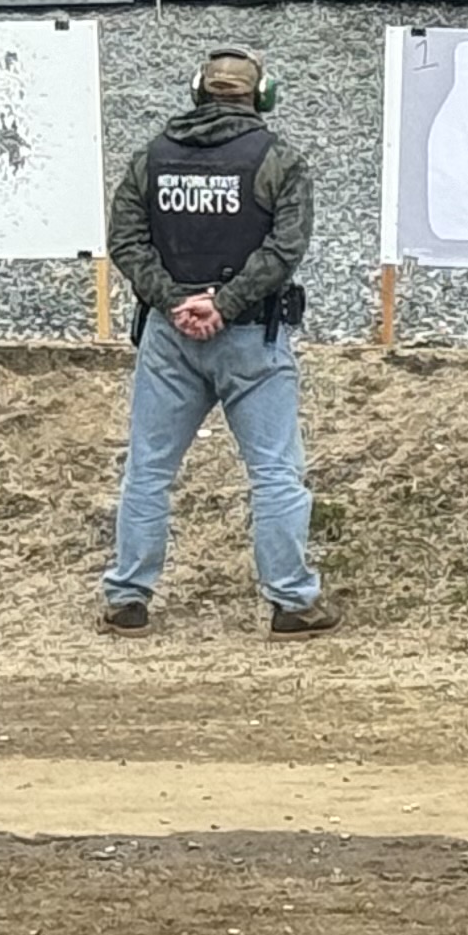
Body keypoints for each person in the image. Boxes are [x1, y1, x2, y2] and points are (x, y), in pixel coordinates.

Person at [99, 44, 333, 636]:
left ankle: (127, 598)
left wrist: (174, 300)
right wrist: (223, 304)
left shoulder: (151, 157)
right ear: (263, 96)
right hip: (252, 334)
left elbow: (125, 242)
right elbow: (285, 249)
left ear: (197, 90)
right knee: (275, 473)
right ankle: (292, 602)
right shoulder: (280, 160)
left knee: (148, 470)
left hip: (168, 337)